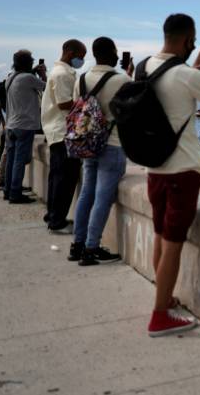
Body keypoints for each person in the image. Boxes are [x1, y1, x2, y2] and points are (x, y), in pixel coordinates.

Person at [145, 14, 200, 337]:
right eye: (193, 39)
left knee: (159, 236)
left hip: (155, 169)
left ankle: (163, 298)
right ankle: (159, 316)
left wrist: (193, 69)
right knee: (173, 245)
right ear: (188, 39)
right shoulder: (186, 75)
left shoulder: (145, 67)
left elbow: (172, 91)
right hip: (182, 172)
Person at [70, 37, 132, 266]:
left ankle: (77, 243)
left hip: (88, 143)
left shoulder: (82, 78)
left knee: (86, 192)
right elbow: (129, 111)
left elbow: (79, 108)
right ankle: (91, 248)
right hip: (112, 143)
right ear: (112, 53)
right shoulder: (122, 79)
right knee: (103, 197)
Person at [41, 39, 87, 233]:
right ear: (70, 53)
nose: (81, 60)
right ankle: (57, 220)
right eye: (80, 57)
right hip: (62, 132)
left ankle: (52, 214)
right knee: (65, 178)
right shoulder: (62, 74)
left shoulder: (61, 72)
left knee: (57, 177)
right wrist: (86, 104)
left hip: (58, 131)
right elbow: (64, 104)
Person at [3, 50, 46, 204]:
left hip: (11, 125)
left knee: (11, 159)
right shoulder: (28, 78)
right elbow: (46, 88)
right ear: (28, 63)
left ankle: (8, 191)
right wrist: (42, 74)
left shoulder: (10, 78)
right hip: (25, 126)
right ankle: (15, 193)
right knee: (20, 161)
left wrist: (33, 72)